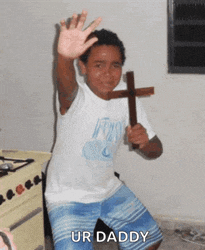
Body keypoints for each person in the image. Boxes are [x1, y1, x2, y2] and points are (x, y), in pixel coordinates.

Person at [45, 10, 163, 250]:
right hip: (68, 196)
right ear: (83, 67)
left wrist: (144, 142)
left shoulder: (127, 98)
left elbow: (156, 150)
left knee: (149, 240)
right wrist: (64, 57)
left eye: (115, 65)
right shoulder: (76, 98)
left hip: (107, 188)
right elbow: (65, 84)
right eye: (98, 65)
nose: (108, 74)